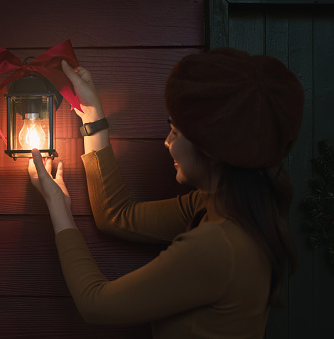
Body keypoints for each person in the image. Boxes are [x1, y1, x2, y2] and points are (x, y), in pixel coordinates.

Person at [28, 48, 303, 338]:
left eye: (175, 131)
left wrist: (56, 204)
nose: (167, 141)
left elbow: (95, 304)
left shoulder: (218, 244)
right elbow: (117, 215)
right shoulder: (225, 206)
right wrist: (94, 117)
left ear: (209, 147)